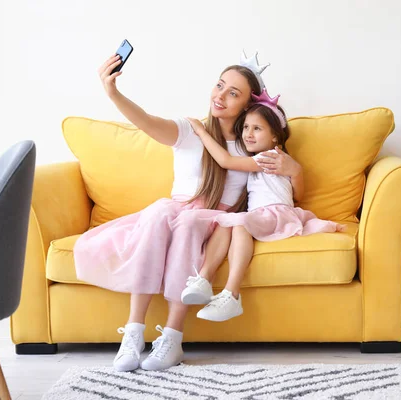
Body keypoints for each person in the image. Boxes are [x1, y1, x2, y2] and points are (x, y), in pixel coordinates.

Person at [73, 52, 288, 372]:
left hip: (213, 217)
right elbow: (146, 122)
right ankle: (133, 332)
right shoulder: (190, 130)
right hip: (178, 207)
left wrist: (290, 166)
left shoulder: (250, 142)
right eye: (219, 85)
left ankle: (173, 338)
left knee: (188, 223)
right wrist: (113, 93)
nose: (221, 95)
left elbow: (278, 170)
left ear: (247, 105)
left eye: (233, 93)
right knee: (159, 213)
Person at [181, 89, 345, 322]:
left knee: (236, 221)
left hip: (277, 214)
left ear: (276, 136)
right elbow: (297, 194)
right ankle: (205, 280)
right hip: (265, 215)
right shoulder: (272, 157)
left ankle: (230, 293)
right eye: (246, 127)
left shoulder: (267, 157)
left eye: (257, 129)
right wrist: (295, 171)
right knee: (225, 222)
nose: (248, 134)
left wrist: (201, 130)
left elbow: (226, 160)